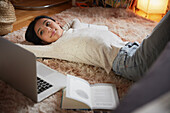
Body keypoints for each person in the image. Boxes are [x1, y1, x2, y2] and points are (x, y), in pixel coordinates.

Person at [21, 11, 170, 81]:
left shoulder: (74, 30)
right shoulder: (56, 47)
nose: (48, 29)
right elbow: (28, 50)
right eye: (42, 32)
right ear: (43, 42)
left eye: (48, 23)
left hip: (132, 48)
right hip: (130, 62)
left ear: (56, 22)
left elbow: (76, 21)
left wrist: (63, 28)